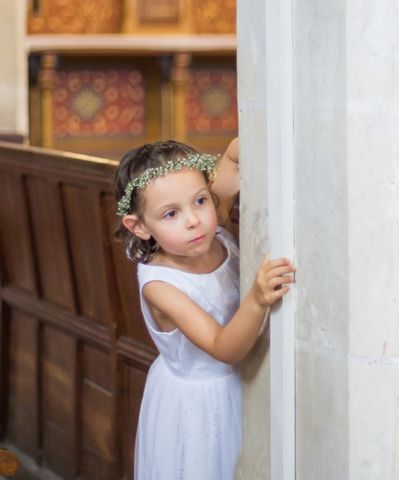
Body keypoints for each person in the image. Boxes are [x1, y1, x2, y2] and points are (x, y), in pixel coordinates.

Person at [114, 139, 295, 480]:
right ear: (138, 226)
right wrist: (257, 299)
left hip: (243, 385)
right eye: (171, 213)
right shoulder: (160, 286)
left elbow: (233, 155)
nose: (194, 220)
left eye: (200, 200)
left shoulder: (216, 227)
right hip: (199, 406)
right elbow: (224, 348)